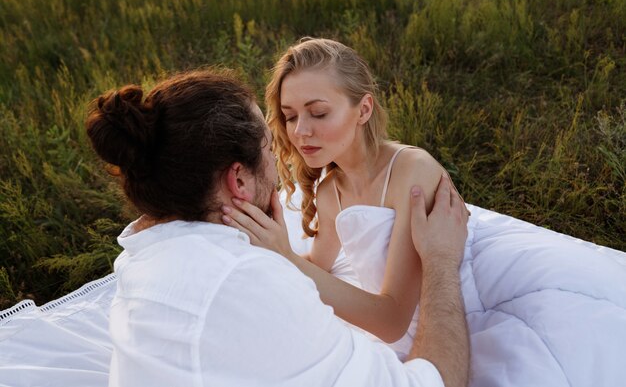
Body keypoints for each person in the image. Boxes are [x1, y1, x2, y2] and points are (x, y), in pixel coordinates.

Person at [221, 38, 626, 387]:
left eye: (319, 113)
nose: (300, 131)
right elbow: (319, 267)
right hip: (394, 319)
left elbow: (393, 317)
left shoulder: (411, 171)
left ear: (363, 110)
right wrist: (262, 252)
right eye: (290, 116)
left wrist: (287, 258)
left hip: (447, 305)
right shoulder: (330, 191)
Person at [85, 69, 470, 387]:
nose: (295, 140)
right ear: (238, 181)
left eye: (317, 113)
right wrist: (439, 258)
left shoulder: (141, 256)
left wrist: (283, 257)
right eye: (271, 146)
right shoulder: (253, 282)